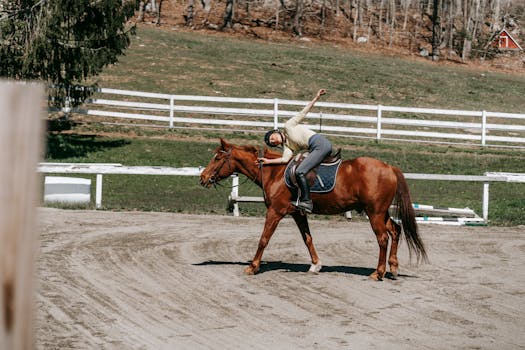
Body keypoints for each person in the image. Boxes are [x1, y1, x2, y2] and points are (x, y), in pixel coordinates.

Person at [257, 89, 333, 213]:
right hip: (315, 148)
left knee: (300, 171)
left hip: (319, 144)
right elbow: (284, 159)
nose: (274, 141)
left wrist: (316, 97)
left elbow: (303, 112)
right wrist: (267, 161)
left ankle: (307, 201)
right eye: (272, 143)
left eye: (272, 137)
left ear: (276, 132)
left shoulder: (288, 126)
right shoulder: (288, 146)